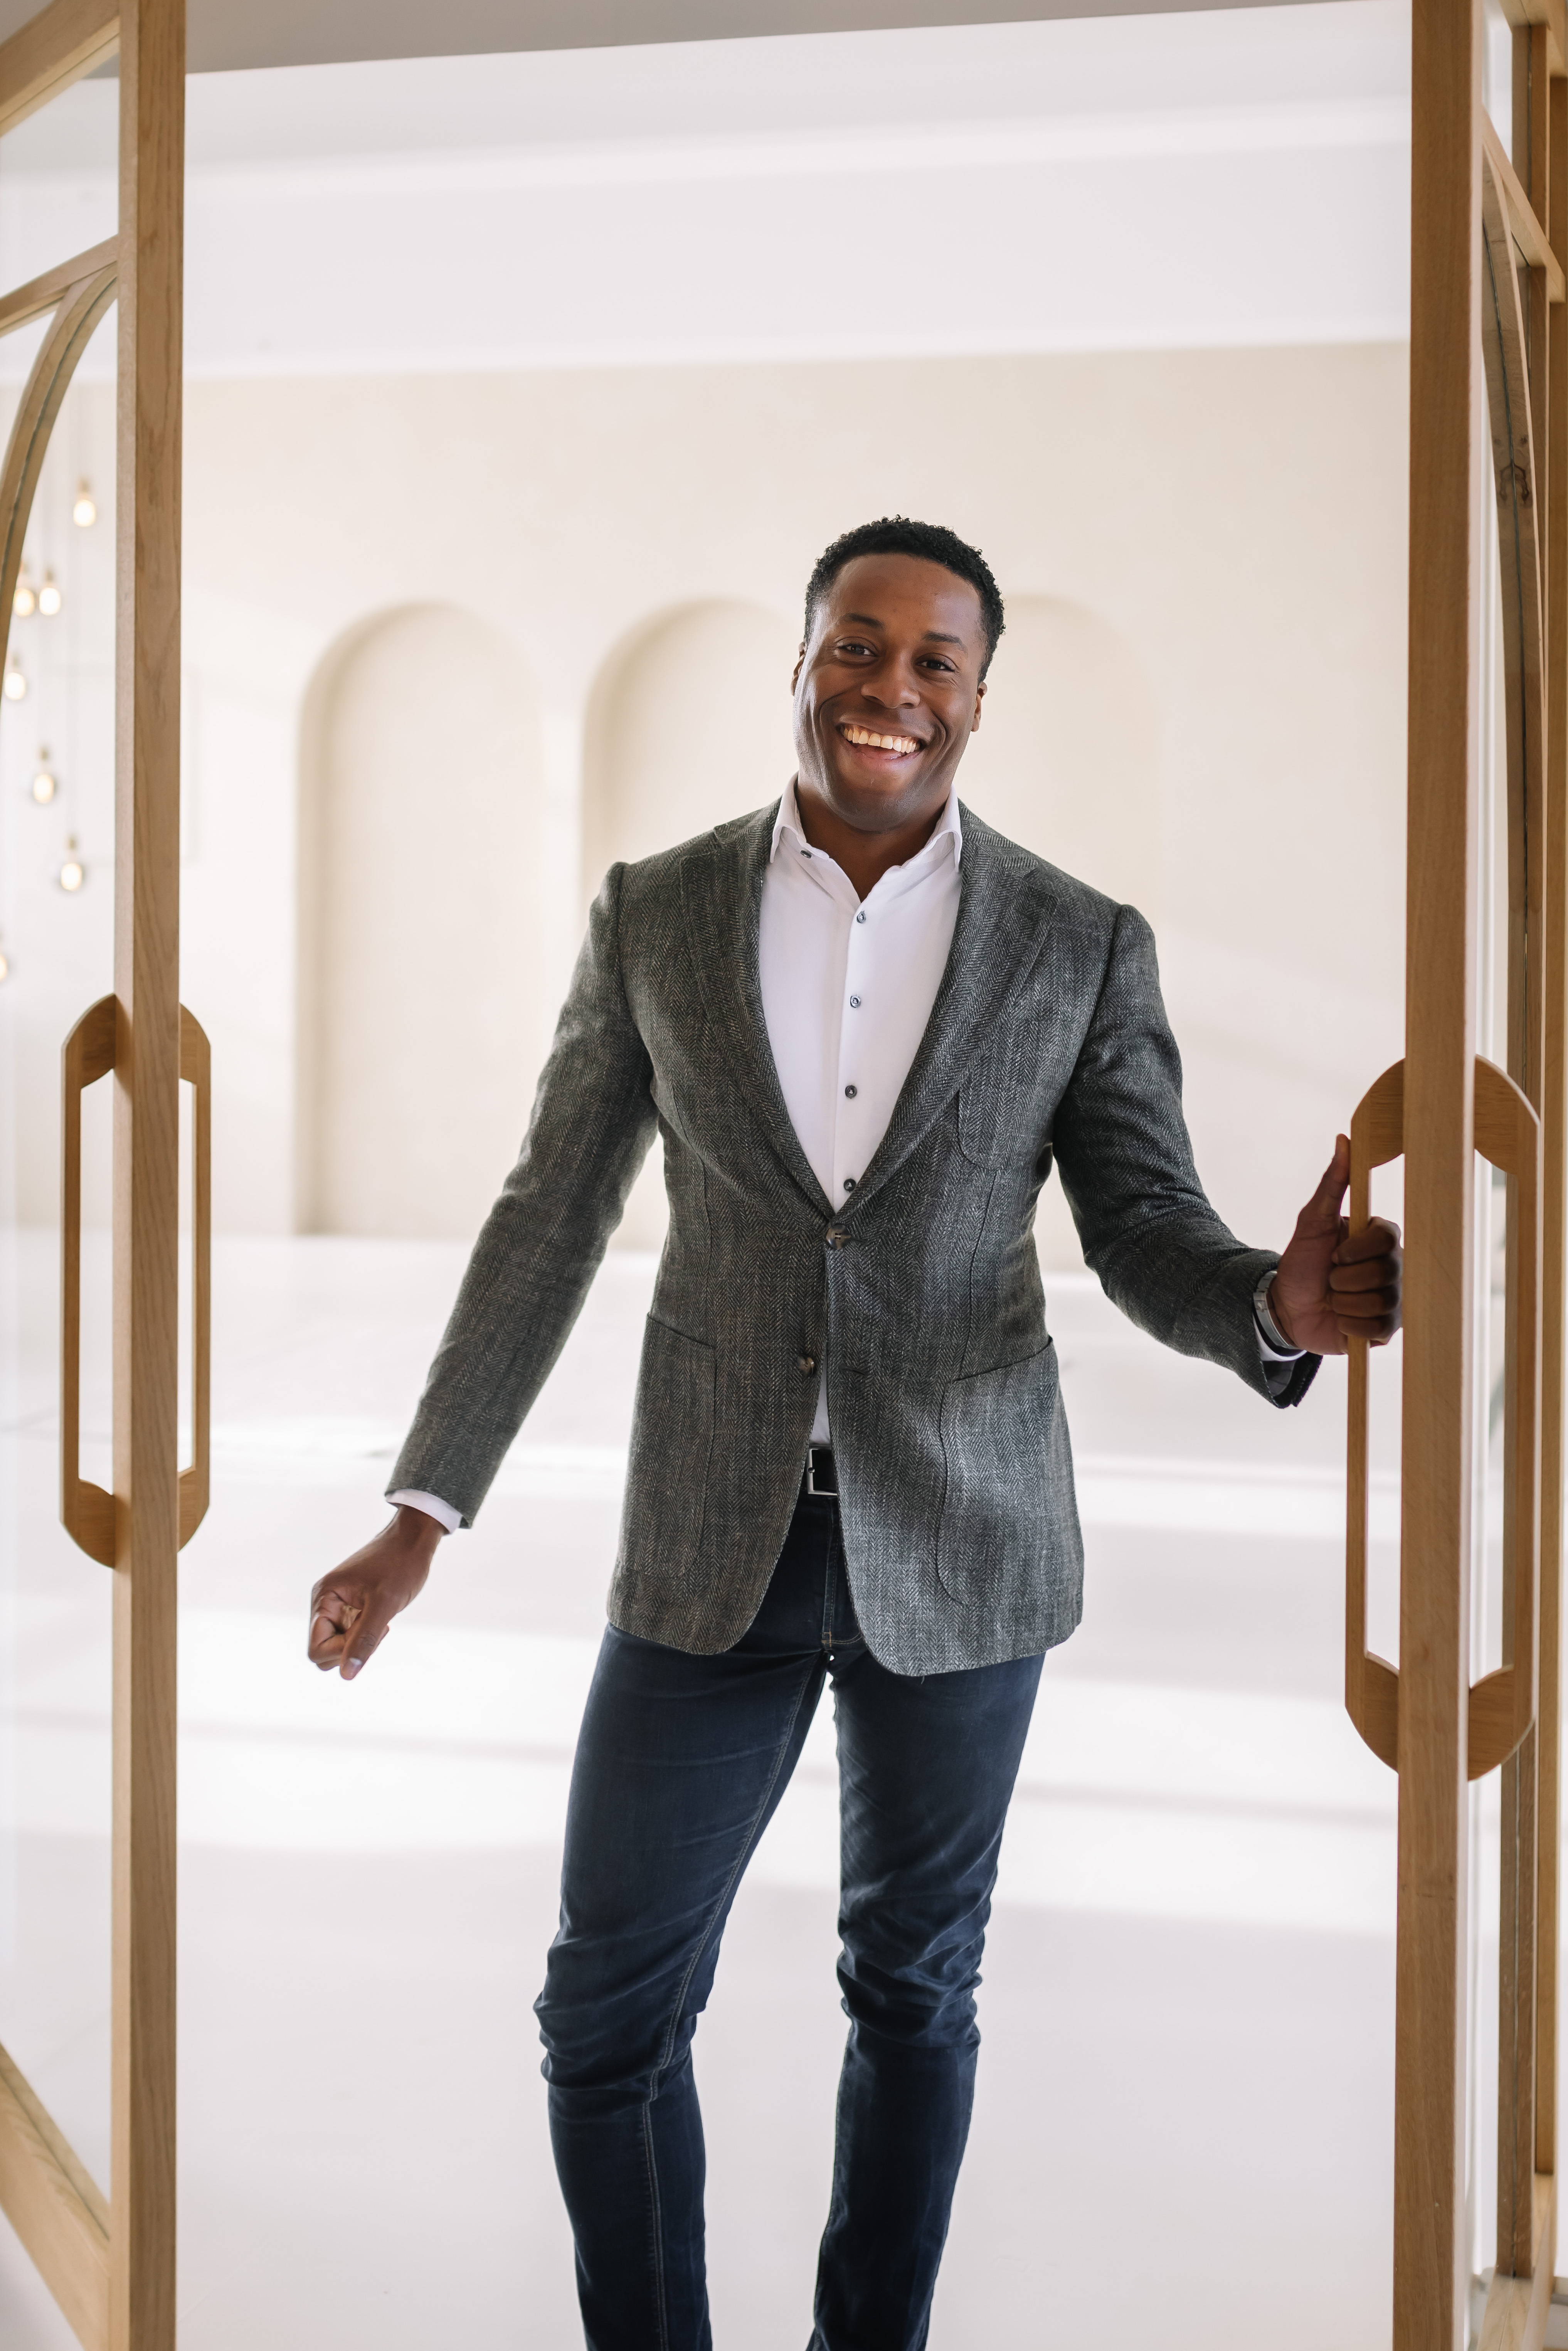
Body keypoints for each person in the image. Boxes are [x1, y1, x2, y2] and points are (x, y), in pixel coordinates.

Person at [307, 516, 1401, 2351]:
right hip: (708, 1546)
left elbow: (1141, 1223)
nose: (892, 686)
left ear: (980, 694)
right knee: (605, 2017)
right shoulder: (658, 909)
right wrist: (421, 1512)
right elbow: (549, 1214)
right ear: (805, 660)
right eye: (858, 645)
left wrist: (1273, 1307)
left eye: (934, 659)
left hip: (966, 1540)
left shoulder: (1077, 941)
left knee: (913, 1993)